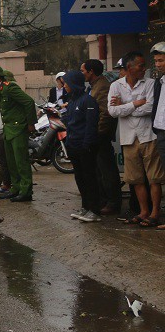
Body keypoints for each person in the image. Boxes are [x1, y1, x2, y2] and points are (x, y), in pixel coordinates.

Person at [109, 51, 162, 227]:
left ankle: (155, 213)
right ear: (129, 67)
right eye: (140, 65)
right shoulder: (116, 86)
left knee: (154, 178)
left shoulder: (150, 83)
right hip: (128, 138)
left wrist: (124, 107)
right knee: (136, 179)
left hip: (148, 136)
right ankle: (143, 211)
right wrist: (135, 103)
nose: (144, 68)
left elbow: (150, 107)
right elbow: (113, 111)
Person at [0, 64, 37, 202]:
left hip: (18, 128)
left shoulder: (10, 87)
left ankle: (26, 191)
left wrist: (30, 123)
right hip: (8, 129)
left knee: (21, 161)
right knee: (11, 162)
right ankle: (16, 188)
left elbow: (29, 102)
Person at [80, 58, 121, 217]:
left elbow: (105, 113)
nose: (82, 73)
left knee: (106, 170)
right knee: (97, 170)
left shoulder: (102, 86)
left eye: (83, 71)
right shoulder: (93, 86)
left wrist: (98, 133)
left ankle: (113, 202)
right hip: (94, 135)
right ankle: (103, 200)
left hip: (100, 136)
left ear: (91, 72)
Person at [62, 70, 102, 222]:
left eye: (66, 83)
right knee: (80, 178)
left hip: (85, 147)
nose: (64, 86)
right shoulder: (72, 101)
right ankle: (85, 207)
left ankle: (95, 210)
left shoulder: (88, 101)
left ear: (74, 83)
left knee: (89, 178)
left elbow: (91, 125)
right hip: (73, 145)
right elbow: (70, 123)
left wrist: (87, 144)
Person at [150, 42, 165, 229]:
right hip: (161, 132)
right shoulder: (159, 82)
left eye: (161, 60)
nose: (158, 64)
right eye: (156, 61)